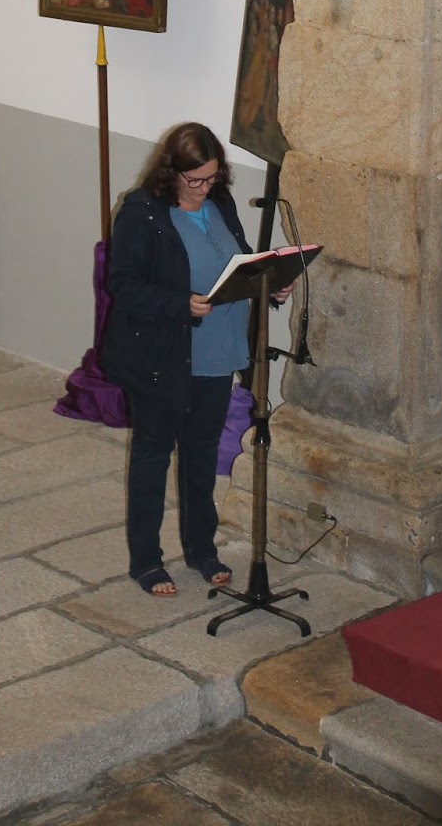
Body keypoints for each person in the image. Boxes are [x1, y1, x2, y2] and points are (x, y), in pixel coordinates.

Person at [103, 122, 265, 596]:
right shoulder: (142, 212)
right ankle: (146, 561)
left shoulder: (220, 203)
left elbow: (238, 260)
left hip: (217, 351)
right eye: (194, 180)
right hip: (163, 355)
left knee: (200, 454)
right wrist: (179, 304)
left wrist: (268, 282)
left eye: (211, 178)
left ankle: (201, 550)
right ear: (171, 172)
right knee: (153, 456)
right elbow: (123, 284)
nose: (203, 188)